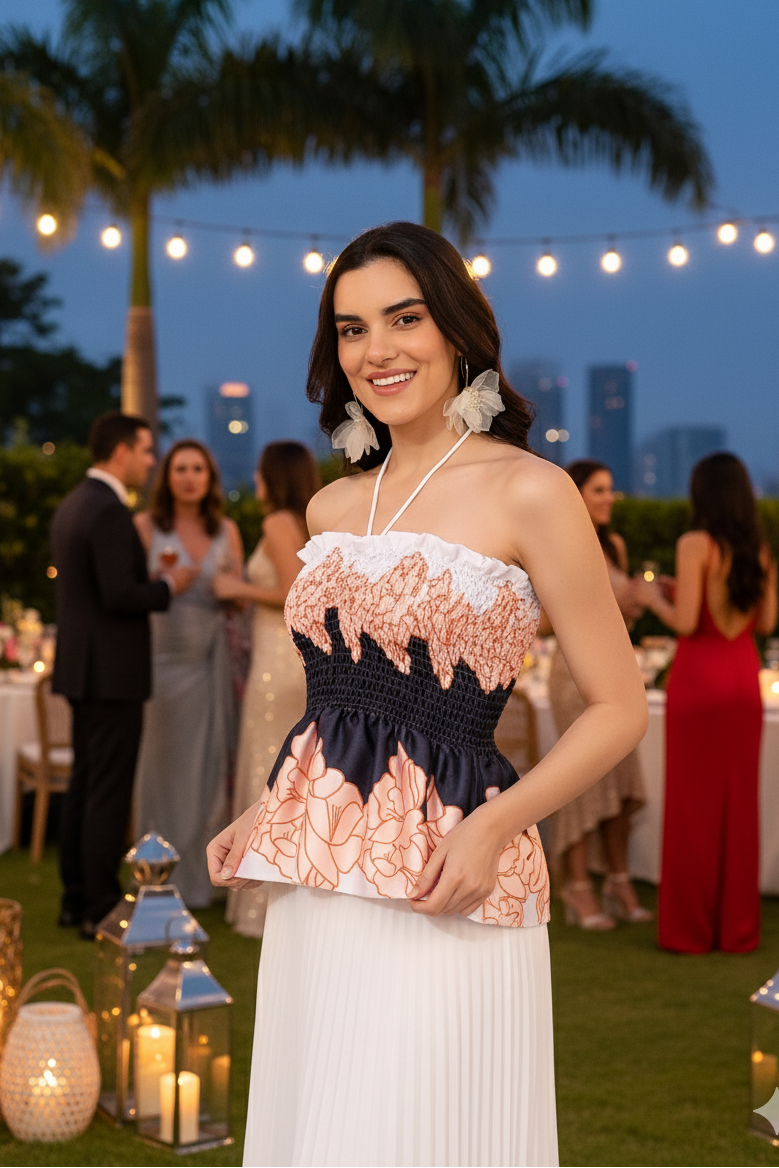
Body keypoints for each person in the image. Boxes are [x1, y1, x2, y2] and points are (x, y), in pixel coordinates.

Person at [207, 222, 647, 1167]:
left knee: (420, 1127)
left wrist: (494, 827)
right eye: (352, 329)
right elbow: (340, 709)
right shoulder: (328, 508)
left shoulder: (530, 492)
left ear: (455, 329)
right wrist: (265, 808)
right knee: (318, 1123)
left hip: (447, 875)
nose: (378, 350)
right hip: (315, 880)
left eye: (403, 319)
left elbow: (618, 706)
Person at [51, 412, 197, 938]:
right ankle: (99, 905)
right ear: (120, 453)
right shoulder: (109, 510)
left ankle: (75, 900)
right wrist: (169, 585)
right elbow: (119, 595)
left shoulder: (74, 503)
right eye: (144, 451)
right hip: (110, 674)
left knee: (86, 785)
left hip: (82, 670)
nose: (149, 461)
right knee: (107, 790)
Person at [642, 452, 777, 953]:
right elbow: (764, 624)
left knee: (692, 805)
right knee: (739, 804)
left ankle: (691, 930)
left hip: (699, 680)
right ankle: (737, 929)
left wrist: (657, 599)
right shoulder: (759, 550)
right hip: (743, 676)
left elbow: (685, 620)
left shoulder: (694, 543)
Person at [213, 441, 320, 937]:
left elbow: (293, 592)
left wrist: (239, 590)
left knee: (268, 765)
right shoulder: (307, 522)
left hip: (279, 660)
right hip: (284, 657)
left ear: (272, 477)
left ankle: (260, 899)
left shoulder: (279, 522)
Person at [133, 439, 243, 909]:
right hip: (158, 664)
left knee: (205, 772)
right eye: (180, 468)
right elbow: (133, 592)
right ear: (167, 476)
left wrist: (230, 592)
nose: (189, 477)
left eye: (198, 468)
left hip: (208, 662)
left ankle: (199, 880)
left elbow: (239, 594)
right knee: (158, 772)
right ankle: (155, 873)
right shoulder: (144, 527)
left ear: (210, 478)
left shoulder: (227, 530)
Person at [547, 459, 651, 929]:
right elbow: (544, 618)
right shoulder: (555, 543)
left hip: (614, 666)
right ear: (576, 496)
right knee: (582, 777)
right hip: (572, 675)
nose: (610, 498)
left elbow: (617, 617)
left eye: (612, 490)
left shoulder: (616, 546)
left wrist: (632, 605)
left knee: (622, 781)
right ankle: (576, 886)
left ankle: (618, 877)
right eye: (599, 490)